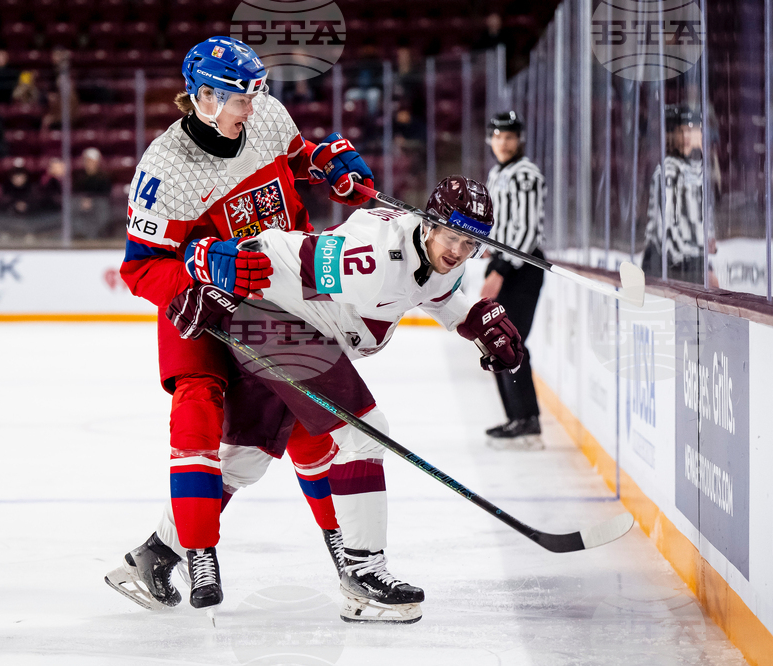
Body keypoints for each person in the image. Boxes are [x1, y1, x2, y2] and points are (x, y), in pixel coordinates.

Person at [150, 176, 525, 623]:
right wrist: (214, 282)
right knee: (367, 431)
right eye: (453, 237)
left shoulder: (440, 257)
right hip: (275, 327)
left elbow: (438, 292)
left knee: (247, 458)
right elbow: (291, 255)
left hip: (300, 334)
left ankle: (154, 554)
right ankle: (364, 576)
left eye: (471, 244)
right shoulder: (367, 259)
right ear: (428, 223)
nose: (459, 252)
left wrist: (476, 320)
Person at [105, 36, 375, 613]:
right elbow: (140, 265)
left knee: (309, 416)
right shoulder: (165, 168)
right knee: (198, 403)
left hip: (278, 298)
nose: (252, 107)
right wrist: (195, 276)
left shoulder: (268, 114)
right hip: (202, 305)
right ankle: (197, 550)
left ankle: (346, 555)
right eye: (237, 97)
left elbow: (298, 160)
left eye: (256, 92)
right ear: (201, 97)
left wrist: (327, 165)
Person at [480, 111, 546, 445]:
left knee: (511, 343)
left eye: (508, 137)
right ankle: (515, 418)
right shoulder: (497, 173)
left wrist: (501, 271)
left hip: (523, 269)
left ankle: (527, 419)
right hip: (503, 266)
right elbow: (497, 226)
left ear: (518, 139)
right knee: (498, 343)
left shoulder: (525, 174)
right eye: (497, 136)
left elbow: (527, 231)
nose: (502, 143)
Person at [642, 105, 710, 285]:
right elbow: (668, 229)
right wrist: (697, 263)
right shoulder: (668, 171)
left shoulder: (698, 170)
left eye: (691, 130)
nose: (686, 137)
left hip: (687, 263)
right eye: (680, 131)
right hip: (673, 266)